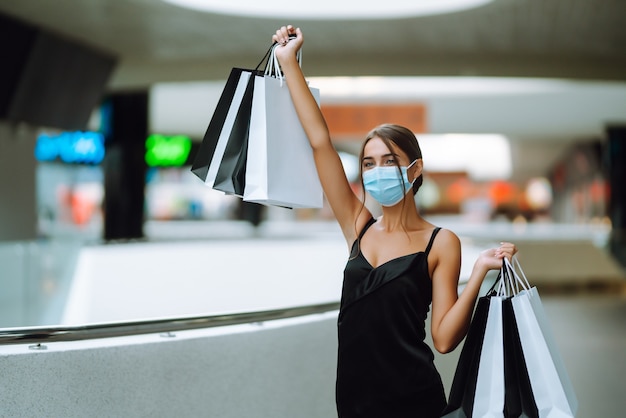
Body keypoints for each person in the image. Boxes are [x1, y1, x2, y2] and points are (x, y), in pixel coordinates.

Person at [272, 25, 517, 418]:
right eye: (369, 163)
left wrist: (478, 275)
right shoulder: (359, 226)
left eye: (390, 161)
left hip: (413, 401)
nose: (377, 171)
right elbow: (319, 140)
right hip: (354, 403)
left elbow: (443, 339)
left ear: (415, 170)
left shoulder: (441, 242)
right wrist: (289, 63)